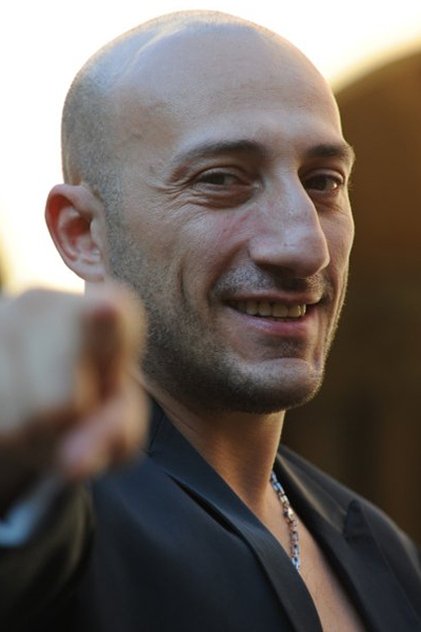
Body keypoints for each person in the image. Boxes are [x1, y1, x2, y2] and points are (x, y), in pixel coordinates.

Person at [0, 10, 420, 632]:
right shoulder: (57, 506)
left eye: (323, 182)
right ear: (83, 232)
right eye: (221, 179)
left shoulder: (386, 556)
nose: (305, 245)